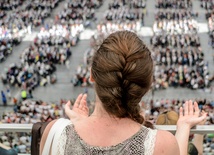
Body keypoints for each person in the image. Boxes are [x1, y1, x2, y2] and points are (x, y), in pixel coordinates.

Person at [40, 31, 206, 155]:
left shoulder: (54, 132)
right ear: (147, 85)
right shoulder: (162, 144)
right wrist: (183, 127)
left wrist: (79, 123)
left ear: (91, 75)